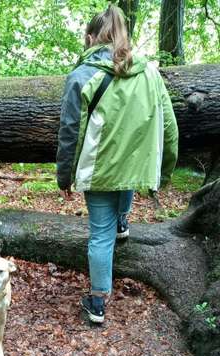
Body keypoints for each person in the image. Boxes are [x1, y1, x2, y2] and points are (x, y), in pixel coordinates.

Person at [56, 5, 178, 324]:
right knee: (127, 177)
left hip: (98, 169)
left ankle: (97, 303)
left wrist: (64, 176)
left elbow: (70, 131)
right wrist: (164, 171)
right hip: (133, 167)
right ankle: (123, 221)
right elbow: (169, 126)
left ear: (90, 37)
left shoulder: (82, 75)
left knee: (99, 235)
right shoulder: (149, 72)